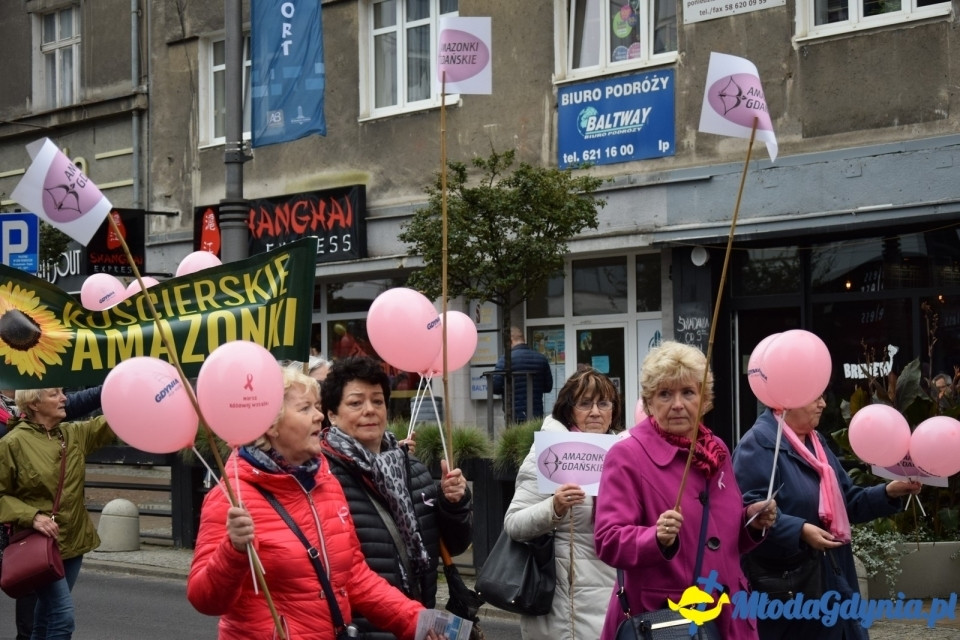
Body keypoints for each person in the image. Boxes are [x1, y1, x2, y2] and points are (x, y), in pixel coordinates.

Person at [187, 367, 430, 640]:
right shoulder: (231, 496)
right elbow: (204, 600)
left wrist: (418, 621)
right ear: (270, 425)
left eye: (317, 406)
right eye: (305, 409)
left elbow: (354, 576)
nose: (318, 416)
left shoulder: (325, 483)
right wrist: (233, 552)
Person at [594, 341, 777, 640]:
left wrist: (751, 523)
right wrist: (655, 537)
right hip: (669, 620)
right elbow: (608, 541)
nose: (677, 404)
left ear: (705, 400)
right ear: (650, 402)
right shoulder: (627, 455)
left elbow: (720, 539)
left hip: (729, 616)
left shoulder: (716, 450)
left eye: (688, 392)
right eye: (665, 394)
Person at [733, 393, 922, 640]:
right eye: (814, 398)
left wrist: (888, 492)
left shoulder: (815, 442)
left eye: (823, 397)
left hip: (835, 580)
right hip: (791, 593)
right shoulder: (758, 444)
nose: (823, 404)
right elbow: (748, 514)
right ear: (786, 401)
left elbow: (848, 501)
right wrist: (800, 530)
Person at [321, 356, 473, 640]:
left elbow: (454, 545)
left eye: (377, 401)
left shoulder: (412, 469)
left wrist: (453, 504)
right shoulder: (323, 477)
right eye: (356, 403)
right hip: (360, 630)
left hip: (419, 625)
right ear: (332, 414)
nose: (370, 410)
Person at [503, 368, 622, 640]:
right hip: (559, 609)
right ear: (569, 410)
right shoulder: (548, 454)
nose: (595, 412)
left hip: (611, 602)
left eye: (603, 403)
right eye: (585, 403)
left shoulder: (625, 453)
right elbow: (514, 524)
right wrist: (554, 508)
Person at [0, 387, 115, 640]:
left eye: (62, 393)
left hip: (73, 543)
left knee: (45, 617)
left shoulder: (74, 434)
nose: (65, 399)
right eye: (55, 395)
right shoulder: (12, 443)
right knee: (62, 618)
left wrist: (140, 394)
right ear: (34, 404)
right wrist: (32, 516)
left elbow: (115, 422)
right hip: (38, 547)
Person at [492, 327, 554, 423]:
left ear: (510, 340)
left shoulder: (505, 360)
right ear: (523, 339)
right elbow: (548, 387)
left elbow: (495, 387)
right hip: (536, 414)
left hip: (513, 414)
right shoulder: (541, 359)